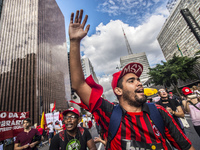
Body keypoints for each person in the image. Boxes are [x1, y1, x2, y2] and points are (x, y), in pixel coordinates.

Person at [68, 9, 195, 149]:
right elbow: (79, 85)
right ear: (118, 90)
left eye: (138, 79)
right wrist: (74, 42)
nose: (139, 83)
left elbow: (187, 147)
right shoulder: (110, 114)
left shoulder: (159, 113)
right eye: (131, 81)